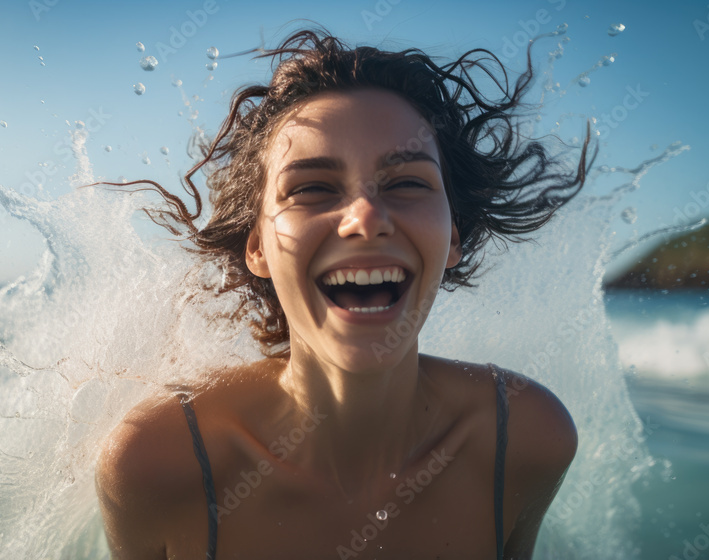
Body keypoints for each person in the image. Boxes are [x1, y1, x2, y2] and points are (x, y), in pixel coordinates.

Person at [95, 26, 592, 559]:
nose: (367, 218)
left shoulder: (523, 438)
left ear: (452, 237)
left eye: (407, 183)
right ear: (257, 245)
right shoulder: (160, 463)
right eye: (311, 188)